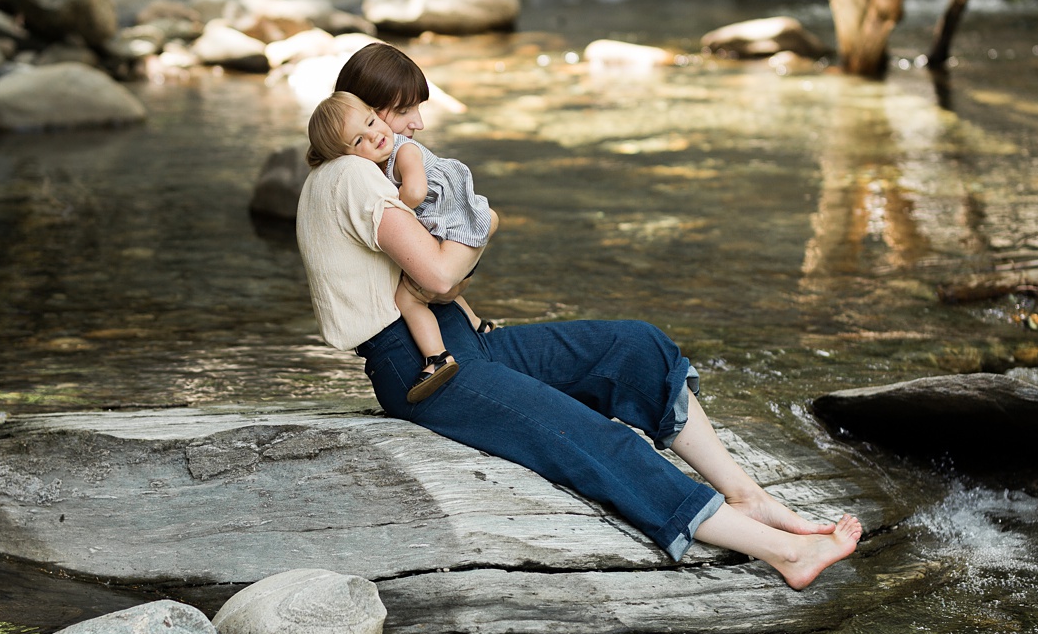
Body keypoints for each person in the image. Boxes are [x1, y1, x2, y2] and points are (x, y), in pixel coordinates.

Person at [296, 41, 862, 589]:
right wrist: (486, 224)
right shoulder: (354, 177)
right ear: (371, 111)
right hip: (422, 370)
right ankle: (786, 552)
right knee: (588, 436)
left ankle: (748, 495)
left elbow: (436, 287)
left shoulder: (370, 172)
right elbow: (442, 277)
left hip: (457, 341)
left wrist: (463, 250)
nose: (416, 122)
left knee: (632, 347)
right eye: (402, 111)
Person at [305, 90, 493, 403]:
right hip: (448, 217)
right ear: (346, 156)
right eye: (358, 141)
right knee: (431, 287)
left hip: (452, 215)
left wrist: (397, 210)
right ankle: (478, 325)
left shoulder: (403, 151)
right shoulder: (365, 168)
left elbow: (417, 192)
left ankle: (437, 357)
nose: (374, 135)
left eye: (371, 122)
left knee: (408, 297)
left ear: (377, 113)